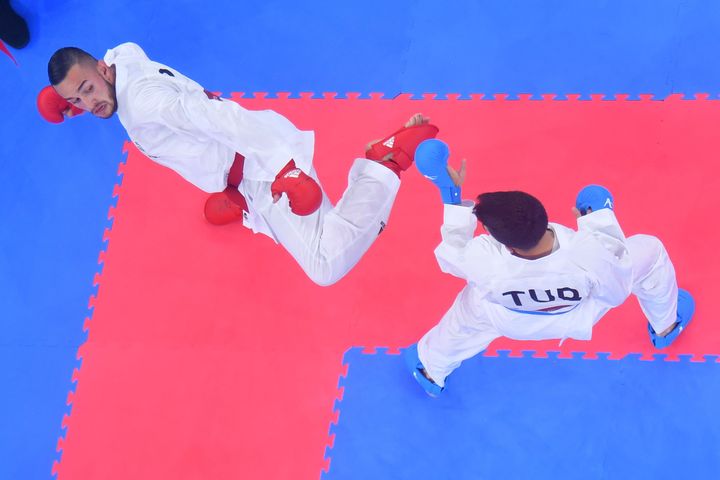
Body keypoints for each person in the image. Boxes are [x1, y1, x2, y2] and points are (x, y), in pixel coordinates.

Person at [38, 42, 438, 286]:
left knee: (324, 266)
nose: (89, 105)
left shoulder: (145, 105)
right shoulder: (122, 59)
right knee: (204, 161)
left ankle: (385, 162)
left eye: (88, 90)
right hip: (237, 166)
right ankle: (235, 201)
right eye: (76, 100)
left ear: (104, 72)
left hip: (261, 170)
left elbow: (216, 119)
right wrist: (69, 93)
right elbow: (115, 53)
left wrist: (286, 169)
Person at [405, 139, 696, 397]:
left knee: (463, 319)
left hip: (504, 318)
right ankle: (666, 327)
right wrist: (598, 218)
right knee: (650, 251)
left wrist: (451, 193)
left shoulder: (486, 258)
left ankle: (431, 370)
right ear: (543, 215)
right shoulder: (587, 251)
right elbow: (617, 290)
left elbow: (452, 254)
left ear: (508, 246)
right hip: (575, 317)